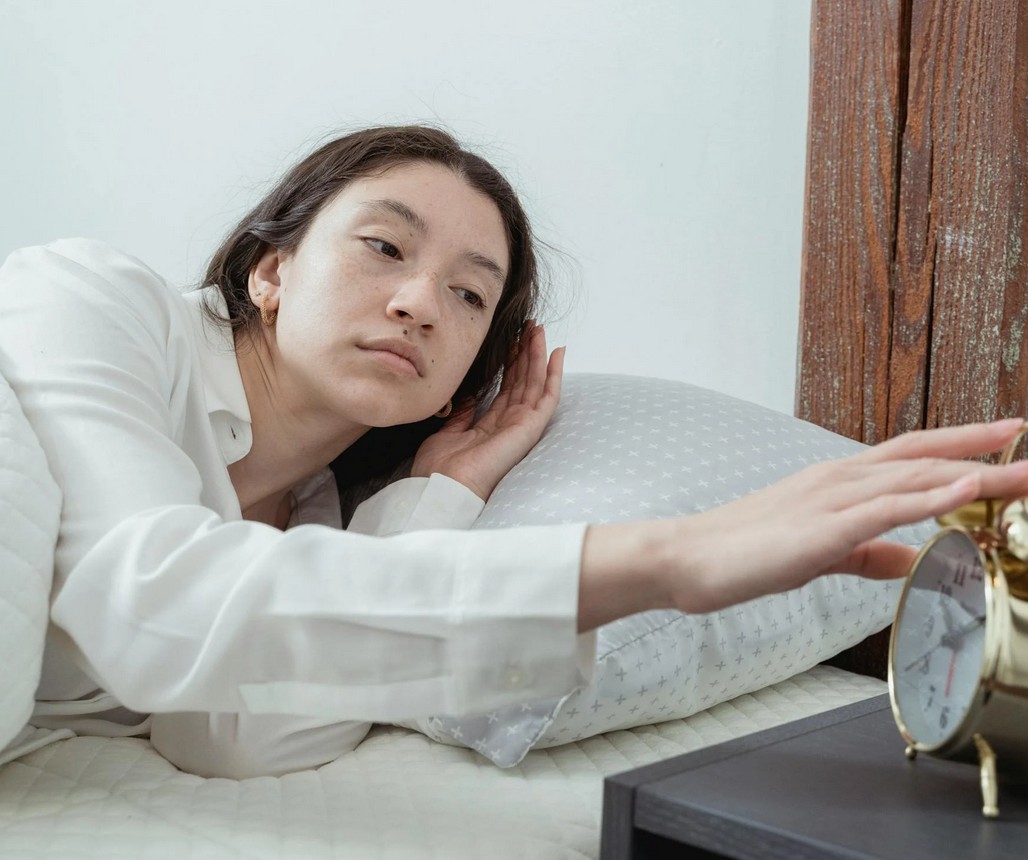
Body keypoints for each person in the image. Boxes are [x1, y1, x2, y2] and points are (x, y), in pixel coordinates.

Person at [2, 125, 1027, 779]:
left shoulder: (319, 520)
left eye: (469, 294)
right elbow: (153, 602)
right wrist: (669, 556)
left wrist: (437, 498)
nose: (418, 302)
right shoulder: (88, 300)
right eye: (383, 247)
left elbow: (230, 740)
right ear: (269, 271)